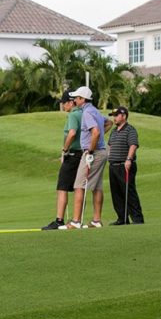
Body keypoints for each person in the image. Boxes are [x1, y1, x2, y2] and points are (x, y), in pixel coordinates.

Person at [60, 86, 112, 229]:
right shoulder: (94, 111)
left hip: (93, 153)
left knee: (79, 185)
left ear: (82, 99)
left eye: (76, 98)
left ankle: (76, 221)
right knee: (97, 187)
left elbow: (95, 132)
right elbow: (109, 123)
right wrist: (99, 139)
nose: (75, 101)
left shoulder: (87, 113)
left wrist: (90, 150)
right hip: (101, 151)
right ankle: (96, 220)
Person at [42, 91, 83, 230]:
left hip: (72, 154)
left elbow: (72, 133)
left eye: (64, 103)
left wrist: (65, 150)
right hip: (82, 154)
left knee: (62, 187)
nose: (63, 106)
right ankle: (76, 219)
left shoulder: (73, 115)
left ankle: (59, 220)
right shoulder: (84, 113)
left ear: (71, 102)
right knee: (78, 187)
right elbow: (105, 124)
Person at [107, 106, 144, 225]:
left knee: (129, 192)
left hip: (125, 165)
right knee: (116, 194)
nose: (114, 118)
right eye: (113, 116)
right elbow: (110, 146)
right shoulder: (113, 131)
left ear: (124, 116)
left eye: (116, 115)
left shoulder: (130, 130)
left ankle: (137, 219)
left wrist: (129, 159)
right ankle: (122, 218)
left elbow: (133, 145)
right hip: (113, 166)